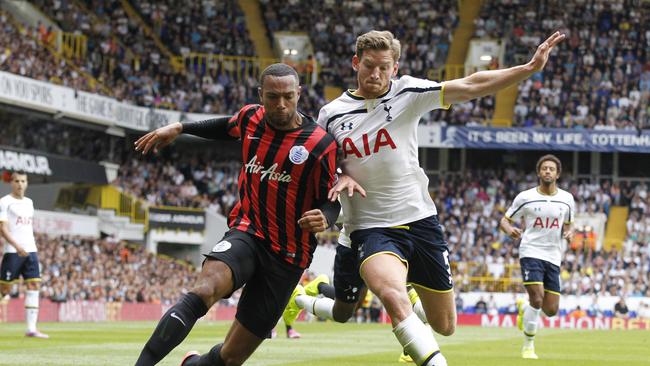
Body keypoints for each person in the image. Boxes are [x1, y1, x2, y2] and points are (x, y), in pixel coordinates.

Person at [319, 29, 566, 366]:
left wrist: (527, 69)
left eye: (383, 67)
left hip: (420, 221)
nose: (375, 74)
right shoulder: (331, 114)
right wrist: (339, 173)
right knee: (391, 295)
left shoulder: (407, 91)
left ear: (394, 67)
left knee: (445, 325)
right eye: (368, 66)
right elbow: (320, 168)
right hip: (371, 226)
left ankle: (408, 307)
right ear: (355, 63)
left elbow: (471, 85)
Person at [133, 63, 342, 366]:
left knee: (230, 358)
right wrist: (181, 127)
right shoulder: (251, 118)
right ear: (261, 95)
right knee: (205, 289)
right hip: (248, 233)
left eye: (287, 96)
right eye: (272, 97)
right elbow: (225, 125)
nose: (280, 105)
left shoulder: (319, 144)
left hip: (288, 256)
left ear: (299, 93)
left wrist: (326, 216)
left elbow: (332, 199)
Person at [500, 154, 575, 359]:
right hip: (530, 251)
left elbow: (568, 223)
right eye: (544, 169)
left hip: (553, 255)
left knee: (550, 310)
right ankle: (528, 346)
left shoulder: (567, 199)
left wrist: (568, 233)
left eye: (552, 169)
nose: (548, 171)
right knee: (537, 297)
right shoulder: (525, 197)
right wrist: (510, 231)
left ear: (558, 174)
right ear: (539, 173)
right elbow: (504, 220)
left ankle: (525, 308)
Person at [0, 171, 48, 338]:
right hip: (13, 252)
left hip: (31, 250)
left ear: (27, 183)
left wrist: (29, 246)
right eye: (17, 181)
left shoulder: (29, 202)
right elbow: (2, 228)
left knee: (34, 286)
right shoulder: (5, 202)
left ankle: (31, 329)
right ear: (11, 183)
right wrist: (17, 246)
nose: (20, 184)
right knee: (5, 289)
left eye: (23, 181)